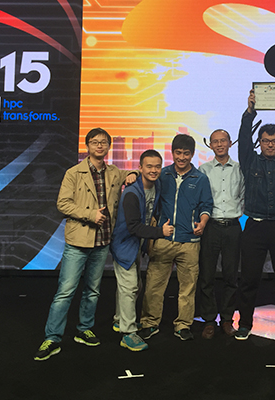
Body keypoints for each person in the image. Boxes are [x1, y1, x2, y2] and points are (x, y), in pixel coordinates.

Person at [34, 127, 137, 361]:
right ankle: (52, 337)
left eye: (103, 142)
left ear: (109, 146)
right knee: (65, 292)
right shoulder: (74, 173)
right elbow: (63, 204)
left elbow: (132, 172)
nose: (99, 146)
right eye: (95, 142)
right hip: (78, 241)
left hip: (102, 242)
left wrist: (132, 173)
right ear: (87, 146)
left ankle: (84, 329)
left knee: (92, 291)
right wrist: (90, 214)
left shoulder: (113, 172)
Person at [235, 88, 275, 342]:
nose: (270, 145)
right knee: (249, 279)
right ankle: (244, 324)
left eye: (274, 141)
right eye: (265, 141)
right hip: (255, 226)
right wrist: (250, 112)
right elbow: (243, 137)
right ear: (259, 143)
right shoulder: (249, 161)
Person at [138, 134, 213, 341]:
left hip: (190, 242)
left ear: (192, 154)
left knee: (187, 288)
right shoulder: (162, 175)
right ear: (172, 153)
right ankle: (149, 323)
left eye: (186, 153)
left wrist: (203, 223)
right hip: (163, 240)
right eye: (178, 153)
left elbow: (206, 205)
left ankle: (183, 325)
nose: (182, 157)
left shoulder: (200, 179)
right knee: (154, 285)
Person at [110, 150, 174, 351]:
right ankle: (128, 333)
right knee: (129, 287)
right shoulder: (131, 193)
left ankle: (119, 320)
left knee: (133, 285)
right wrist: (160, 232)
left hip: (136, 244)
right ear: (140, 168)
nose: (154, 170)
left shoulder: (156, 186)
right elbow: (133, 227)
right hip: (124, 244)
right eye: (149, 166)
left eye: (157, 166)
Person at [198, 129, 244, 339]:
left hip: (233, 227)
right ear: (210, 145)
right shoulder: (203, 169)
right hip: (211, 227)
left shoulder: (240, 169)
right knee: (206, 276)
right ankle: (209, 320)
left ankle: (227, 319)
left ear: (230, 143)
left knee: (231, 276)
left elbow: (243, 196)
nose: (219, 144)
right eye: (215, 141)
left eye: (223, 141)